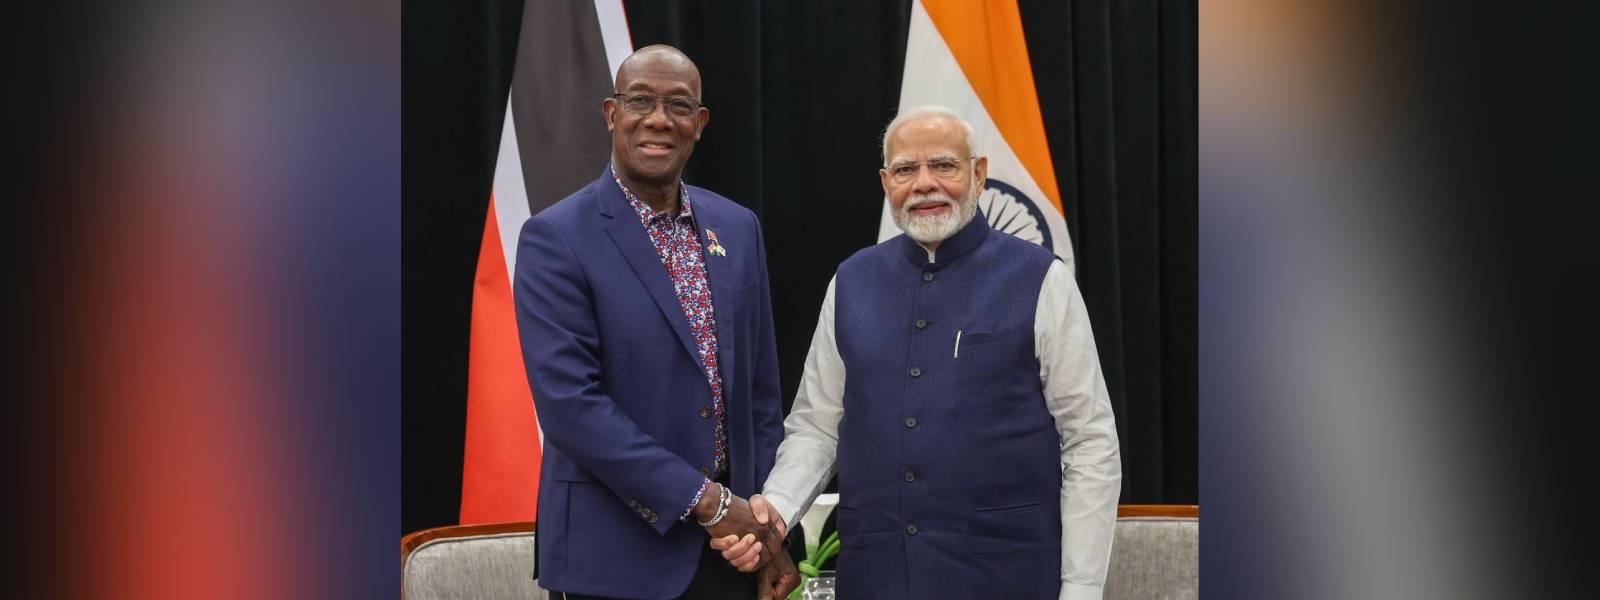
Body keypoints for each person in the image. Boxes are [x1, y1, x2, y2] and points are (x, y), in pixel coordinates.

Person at [712, 106, 1123, 599]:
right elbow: (817, 427)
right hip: (877, 577)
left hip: (1007, 575)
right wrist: (775, 511)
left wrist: (1081, 587)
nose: (924, 184)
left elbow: (1090, 442)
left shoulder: (1041, 278)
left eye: (944, 166)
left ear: (979, 173)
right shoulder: (851, 281)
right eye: (906, 169)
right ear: (887, 182)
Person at [515, 44, 797, 600]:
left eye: (679, 104)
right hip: (616, 557)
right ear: (611, 113)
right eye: (641, 100)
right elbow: (571, 407)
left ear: (700, 121)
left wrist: (764, 526)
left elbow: (760, 395)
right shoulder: (557, 238)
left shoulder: (738, 229)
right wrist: (708, 501)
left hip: (729, 555)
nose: (660, 119)